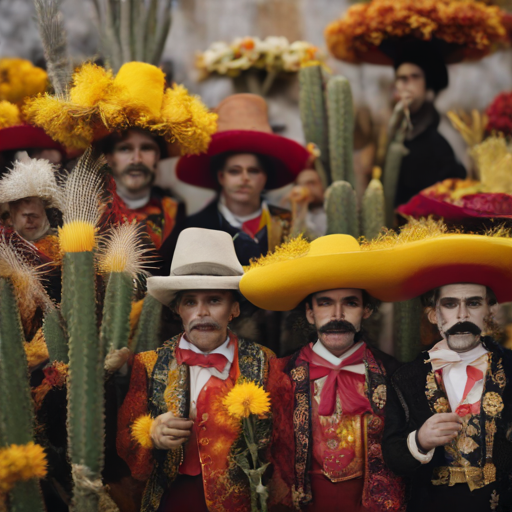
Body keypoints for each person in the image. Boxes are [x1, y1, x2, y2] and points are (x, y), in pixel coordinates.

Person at [240, 234, 405, 511]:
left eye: (350, 303)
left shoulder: (395, 375)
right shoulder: (277, 374)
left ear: (366, 310)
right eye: (325, 302)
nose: (337, 315)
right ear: (309, 313)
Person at [117, 228, 275, 512]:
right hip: (174, 498)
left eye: (214, 300)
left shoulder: (264, 362)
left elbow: (283, 442)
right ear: (178, 309)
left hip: (240, 504)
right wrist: (150, 432)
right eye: (191, 301)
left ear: (234, 309)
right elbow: (124, 439)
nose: (201, 313)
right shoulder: (149, 363)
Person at [379, 229, 512, 511]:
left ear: (490, 310)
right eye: (450, 304)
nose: (462, 316)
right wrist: (420, 441)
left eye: (473, 303)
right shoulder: (405, 378)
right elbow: (392, 456)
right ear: (434, 314)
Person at [170, 93, 310, 266]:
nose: (244, 178)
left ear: (265, 177)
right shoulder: (194, 228)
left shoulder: (290, 225)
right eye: (235, 171)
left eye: (253, 171)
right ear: (221, 177)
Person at [391, 44, 466, 207]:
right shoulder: (390, 134)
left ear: (427, 84)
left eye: (415, 76)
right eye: (401, 77)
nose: (406, 83)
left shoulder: (445, 133)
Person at [99, 127, 185, 252]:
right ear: (109, 158)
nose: (137, 159)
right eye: (125, 149)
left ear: (157, 156)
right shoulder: (90, 209)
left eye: (146, 148)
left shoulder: (176, 212)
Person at [286, 169, 326, 240]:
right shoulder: (297, 212)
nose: (307, 188)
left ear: (322, 184)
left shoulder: (331, 210)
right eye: (302, 184)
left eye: (311, 183)